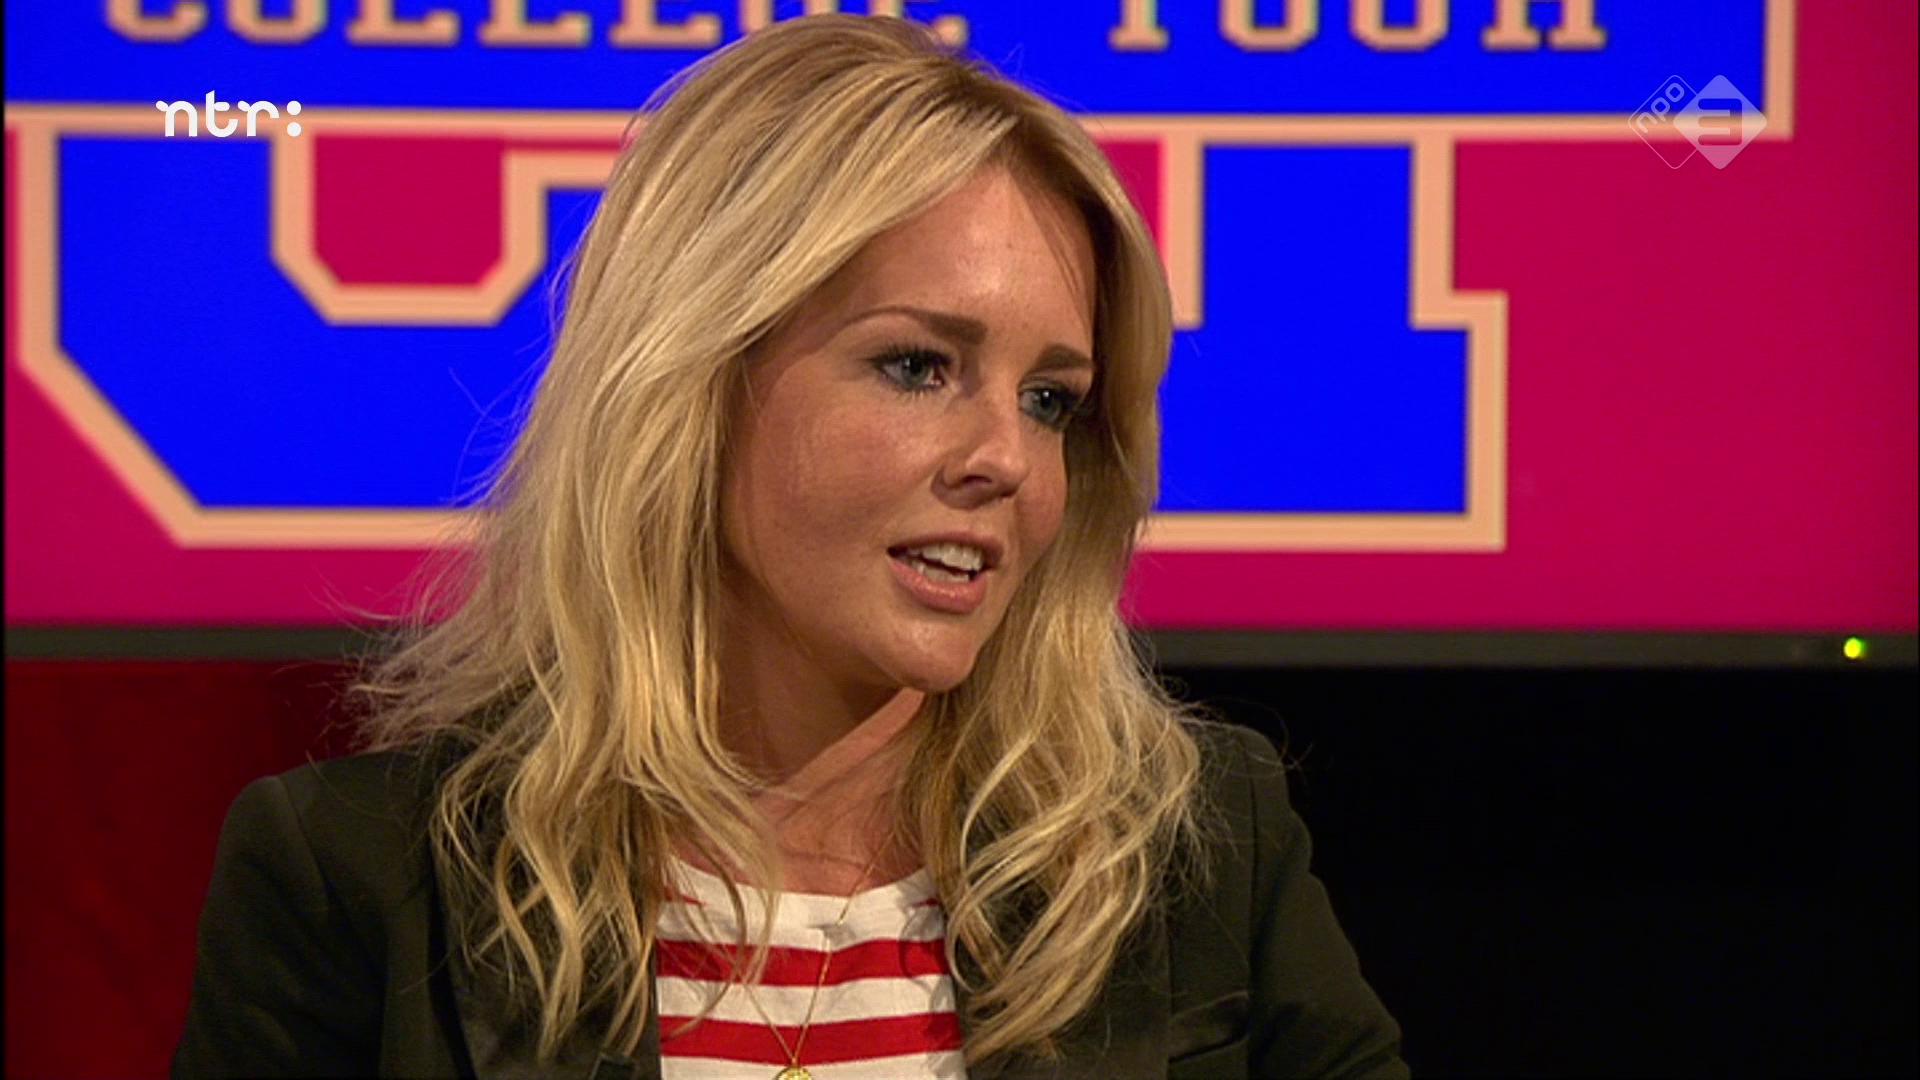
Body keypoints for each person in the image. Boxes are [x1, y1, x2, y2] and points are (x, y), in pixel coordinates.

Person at [172, 14, 1407, 1079]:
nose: (1009, 459)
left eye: (1050, 401)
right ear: (695, 381)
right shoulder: (365, 880)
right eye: (918, 365)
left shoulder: (1196, 855)